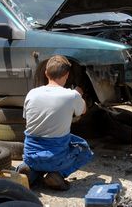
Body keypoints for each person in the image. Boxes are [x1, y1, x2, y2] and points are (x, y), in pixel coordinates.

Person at [17, 55, 93, 191]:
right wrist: (78, 95)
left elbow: (27, 119)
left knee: (39, 153)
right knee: (84, 149)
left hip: (31, 155)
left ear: (46, 73)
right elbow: (83, 111)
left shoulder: (31, 93)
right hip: (55, 158)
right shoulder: (72, 95)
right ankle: (57, 175)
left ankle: (30, 171)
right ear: (67, 75)